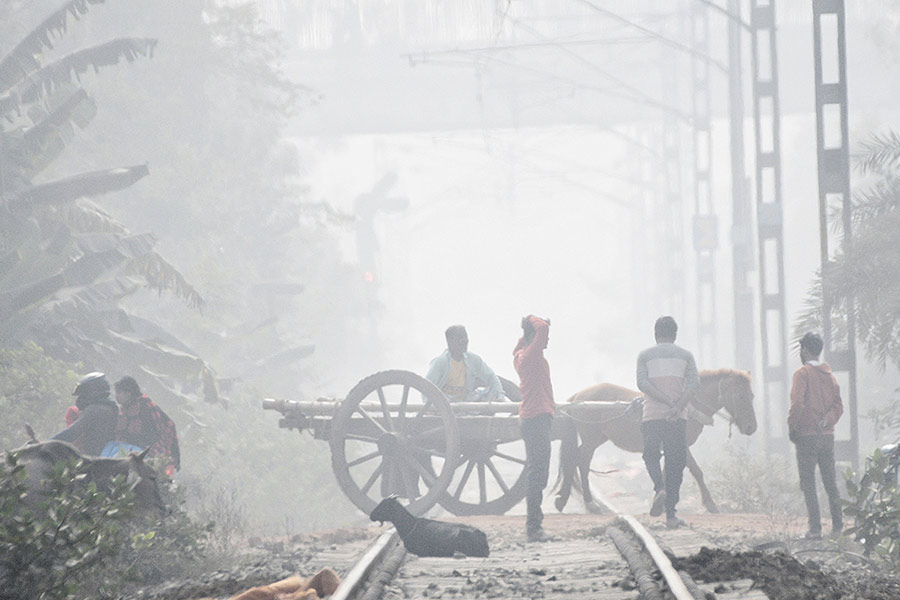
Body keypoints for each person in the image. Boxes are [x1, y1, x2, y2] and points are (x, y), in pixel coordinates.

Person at [636, 316, 699, 529]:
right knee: (675, 463)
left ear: (655, 335)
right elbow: (693, 384)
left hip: (652, 415)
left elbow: (642, 383)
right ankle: (671, 515)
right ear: (675, 334)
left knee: (651, 455)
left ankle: (659, 487)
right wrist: (677, 405)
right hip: (677, 418)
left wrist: (664, 400)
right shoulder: (686, 356)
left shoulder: (644, 356)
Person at [788, 332, 844, 540]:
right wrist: (828, 419)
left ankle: (815, 529)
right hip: (827, 436)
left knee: (808, 482)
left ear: (805, 350)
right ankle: (838, 528)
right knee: (830, 482)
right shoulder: (829, 376)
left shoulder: (802, 374)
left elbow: (797, 404)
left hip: (806, 436)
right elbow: (839, 406)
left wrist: (793, 428)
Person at [514, 315, 555, 542]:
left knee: (535, 472)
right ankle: (534, 527)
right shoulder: (530, 355)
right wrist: (531, 318)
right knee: (538, 474)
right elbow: (543, 330)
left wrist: (527, 328)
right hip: (537, 418)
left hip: (532, 418)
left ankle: (534, 524)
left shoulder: (520, 355)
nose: (547, 341)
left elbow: (534, 335)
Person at [112, 376, 181, 474]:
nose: (116, 396)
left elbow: (152, 435)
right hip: (132, 449)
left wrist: (130, 439)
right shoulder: (126, 409)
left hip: (150, 451)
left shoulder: (145, 407)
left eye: (119, 392)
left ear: (128, 393)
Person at [425, 325, 504, 402]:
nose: (465, 341)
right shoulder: (440, 362)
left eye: (465, 337)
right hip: (447, 404)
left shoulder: (473, 360)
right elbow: (426, 388)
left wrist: (500, 396)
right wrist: (430, 407)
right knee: (443, 400)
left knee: (490, 392)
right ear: (450, 341)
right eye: (460, 338)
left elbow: (491, 377)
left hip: (465, 401)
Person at [51, 372, 119, 455]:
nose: (80, 398)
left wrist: (46, 444)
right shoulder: (108, 407)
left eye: (83, 394)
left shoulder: (95, 410)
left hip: (94, 458)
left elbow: (71, 433)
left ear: (93, 392)